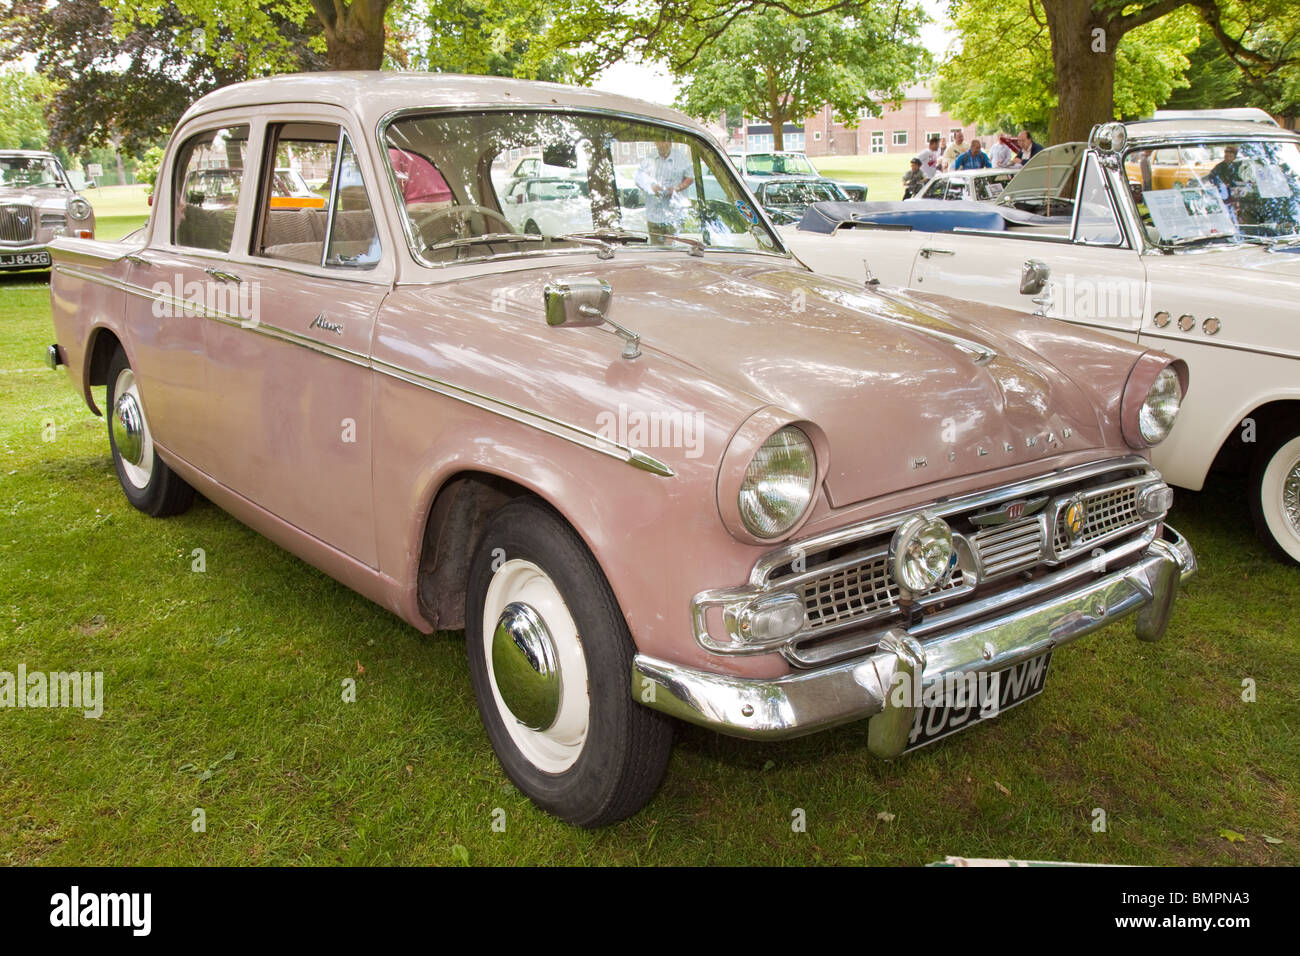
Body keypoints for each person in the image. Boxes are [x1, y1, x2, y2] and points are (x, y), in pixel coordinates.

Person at [636, 140, 694, 240]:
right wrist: (651, 186)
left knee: (673, 251)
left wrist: (676, 189)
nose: (662, 145)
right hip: (654, 215)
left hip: (675, 215)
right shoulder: (649, 158)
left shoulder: (681, 157)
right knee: (656, 251)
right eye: (659, 142)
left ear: (670, 142)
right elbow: (638, 180)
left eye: (665, 141)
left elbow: (690, 177)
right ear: (655, 143)